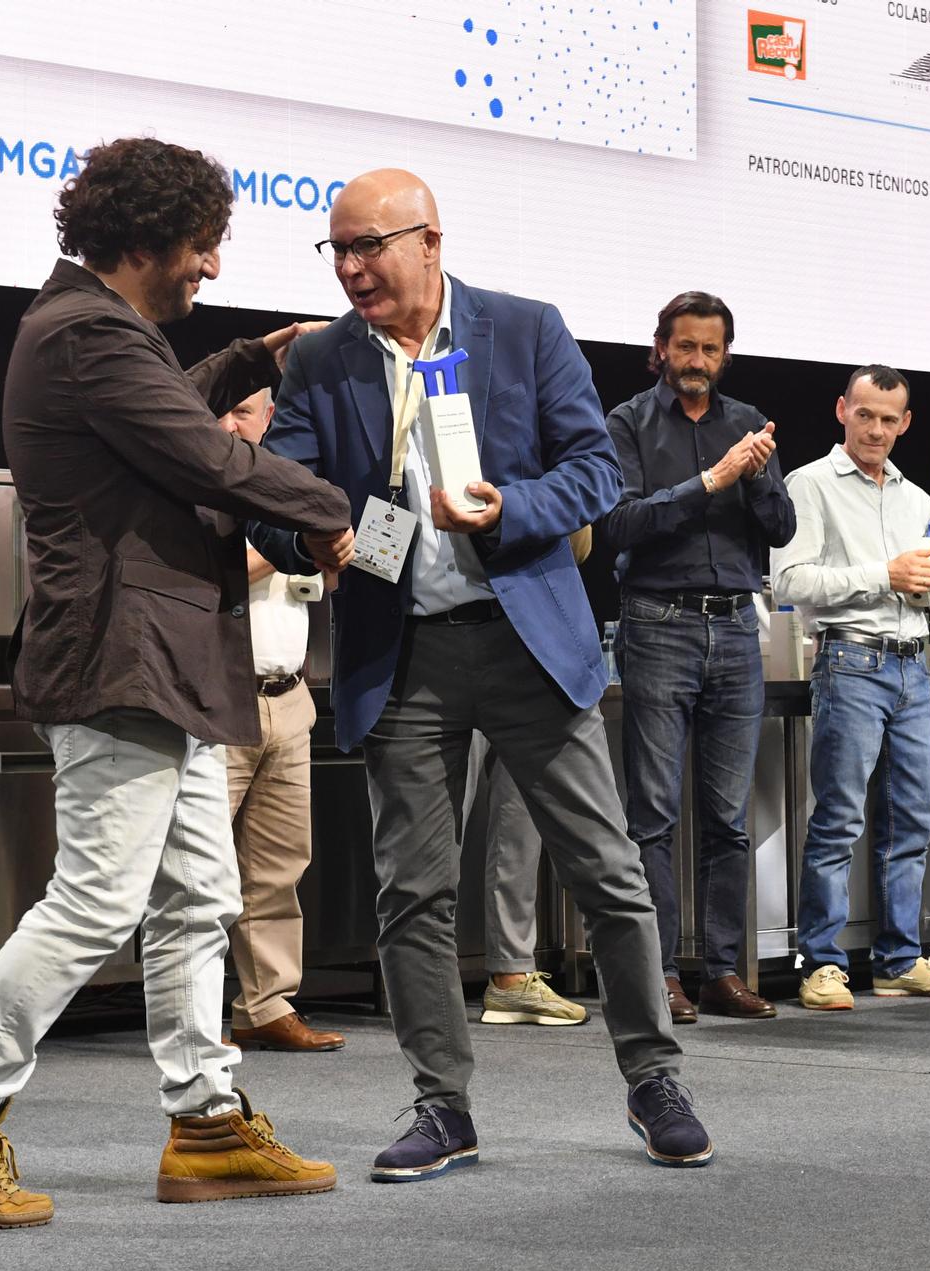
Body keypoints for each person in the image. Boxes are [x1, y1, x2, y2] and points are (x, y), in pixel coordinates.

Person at [0, 137, 355, 1228]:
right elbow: (206, 457)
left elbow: (167, 414)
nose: (210, 269)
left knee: (199, 898)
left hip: (161, 662)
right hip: (120, 658)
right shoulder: (86, 333)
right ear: (147, 241)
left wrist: (247, 361)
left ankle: (208, 1122)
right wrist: (330, 509)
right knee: (98, 900)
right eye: (201, 246)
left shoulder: (90, 332)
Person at [249, 168, 712, 1177]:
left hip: (527, 643)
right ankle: (440, 1103)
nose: (353, 268)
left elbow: (597, 471)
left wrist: (514, 507)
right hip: (399, 654)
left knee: (606, 870)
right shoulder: (323, 361)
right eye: (338, 250)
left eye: (369, 246)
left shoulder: (523, 328)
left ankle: (650, 1076)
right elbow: (269, 492)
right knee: (412, 892)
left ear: (430, 240)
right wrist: (314, 534)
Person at [603, 291, 795, 1023]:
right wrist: (709, 481)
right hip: (657, 623)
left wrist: (751, 477)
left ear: (725, 354)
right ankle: (658, 974)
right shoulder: (627, 422)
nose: (697, 363)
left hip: (738, 630)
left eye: (711, 350)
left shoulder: (746, 424)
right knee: (652, 813)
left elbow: (780, 525)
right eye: (685, 348)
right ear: (661, 347)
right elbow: (619, 523)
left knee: (727, 816)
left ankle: (720, 969)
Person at [771, 365, 930, 1011]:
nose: (877, 428)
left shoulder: (916, 498)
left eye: (890, 418)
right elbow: (790, 582)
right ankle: (823, 962)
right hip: (851, 662)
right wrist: (884, 574)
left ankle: (899, 959)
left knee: (912, 820)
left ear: (906, 422)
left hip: (912, 666)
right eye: (866, 414)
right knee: (838, 818)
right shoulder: (809, 484)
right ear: (843, 410)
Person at [215, 387, 347, 1052]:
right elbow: (210, 577)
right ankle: (184, 1016)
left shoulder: (285, 487)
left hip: (288, 696)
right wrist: (293, 542)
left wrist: (334, 549)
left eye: (247, 412)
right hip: (217, 696)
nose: (232, 423)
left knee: (278, 864)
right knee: (201, 869)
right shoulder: (200, 485)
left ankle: (267, 1005)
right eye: (224, 409)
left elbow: (331, 578)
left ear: (272, 420)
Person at [476, 523, 596, 1029]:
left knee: (518, 827)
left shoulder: (538, 455)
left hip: (527, 649)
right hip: (434, 647)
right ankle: (419, 982)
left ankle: (510, 975)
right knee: (430, 835)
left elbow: (581, 547)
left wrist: (533, 506)